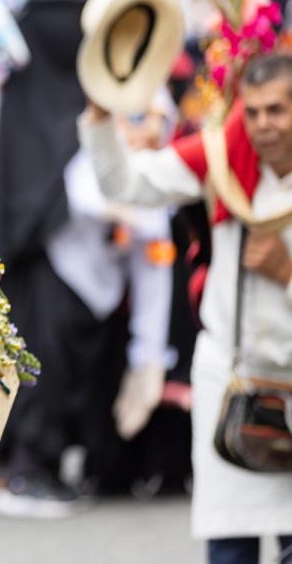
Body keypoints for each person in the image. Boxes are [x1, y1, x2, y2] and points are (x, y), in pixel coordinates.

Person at [79, 53, 292, 564]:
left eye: (279, 111)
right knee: (229, 548)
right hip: (231, 384)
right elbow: (124, 183)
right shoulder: (222, 157)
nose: (264, 125)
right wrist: (102, 116)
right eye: (255, 111)